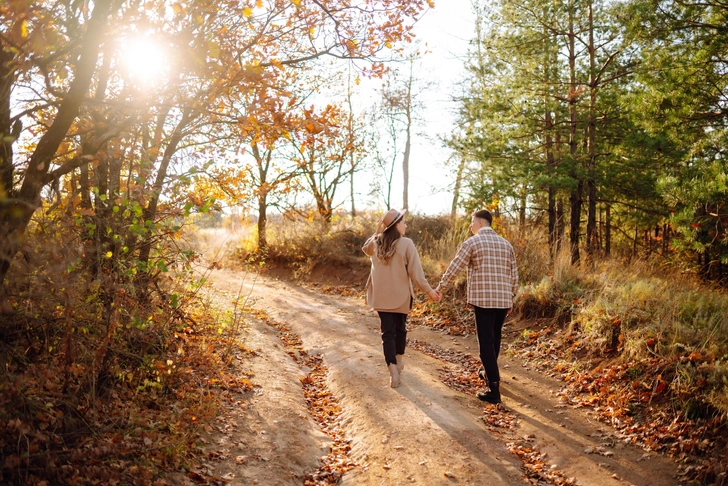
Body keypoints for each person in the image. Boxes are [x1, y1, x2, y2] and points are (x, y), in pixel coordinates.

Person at [436, 209, 518, 404]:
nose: (470, 226)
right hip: (503, 299)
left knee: (485, 346)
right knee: (495, 339)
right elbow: (514, 275)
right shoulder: (506, 245)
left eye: (472, 222)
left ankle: (494, 389)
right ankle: (489, 373)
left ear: (480, 223)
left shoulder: (472, 242)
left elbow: (455, 267)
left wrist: (440, 288)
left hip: (484, 300)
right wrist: (511, 297)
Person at [363, 209, 441, 388]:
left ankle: (393, 371)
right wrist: (429, 291)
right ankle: (398, 360)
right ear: (395, 225)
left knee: (387, 334)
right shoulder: (406, 244)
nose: (405, 225)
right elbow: (416, 273)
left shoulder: (375, 243)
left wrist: (378, 231)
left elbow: (366, 248)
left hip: (381, 297)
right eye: (403, 222)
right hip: (401, 297)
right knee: (400, 330)